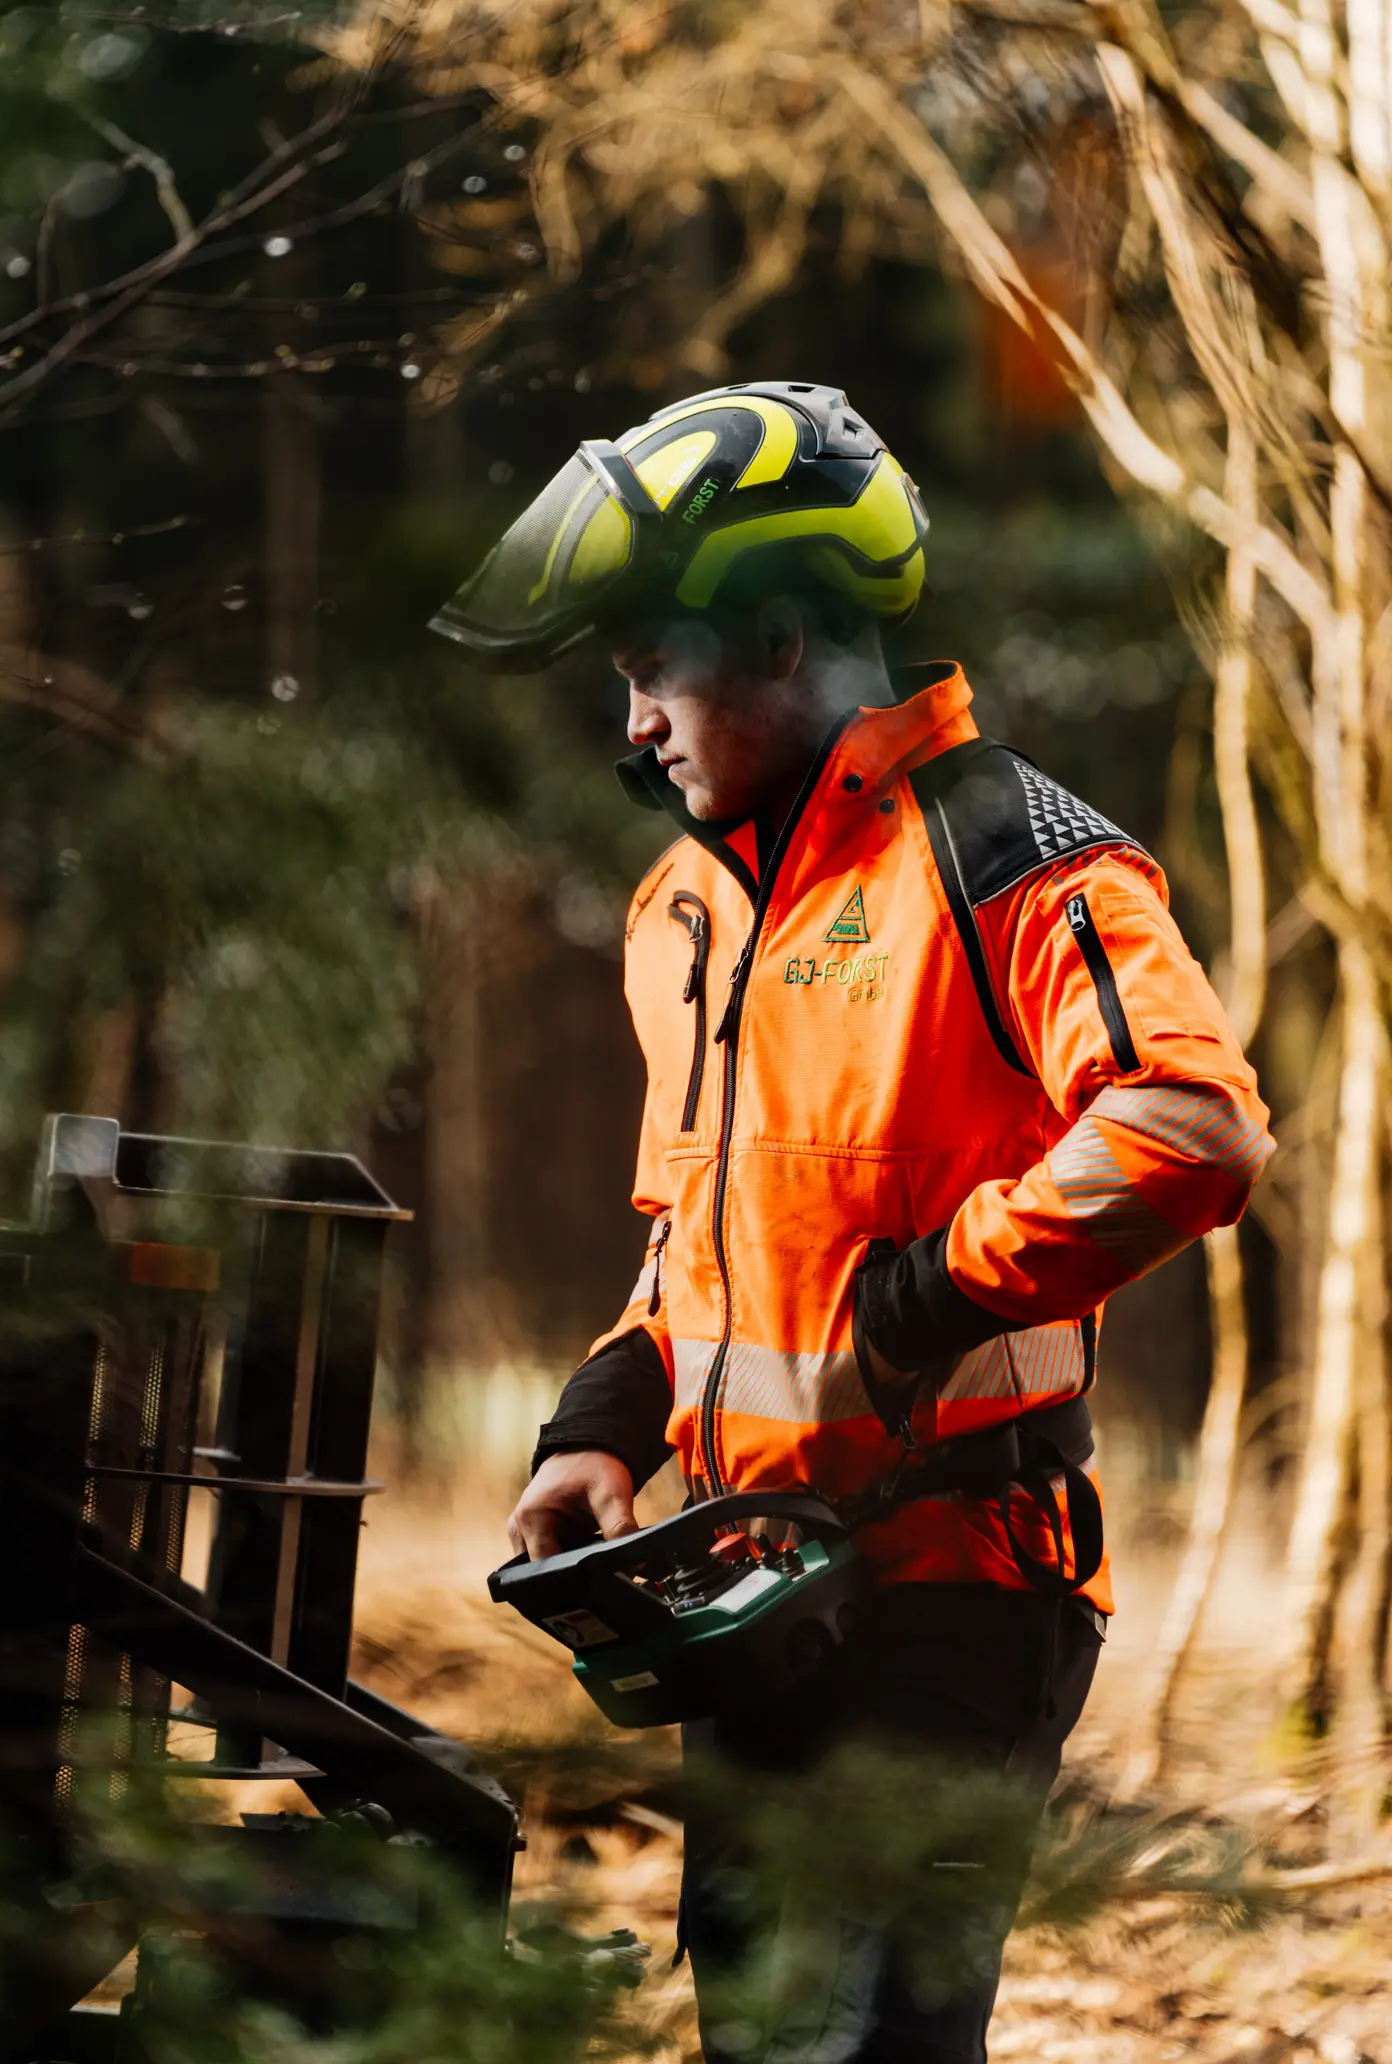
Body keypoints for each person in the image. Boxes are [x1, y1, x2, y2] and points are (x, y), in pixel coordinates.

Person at [430, 380, 1274, 2063]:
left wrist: (937, 1293)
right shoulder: (682, 912)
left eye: (651, 673)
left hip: (960, 1589)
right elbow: (698, 1234)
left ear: (780, 637)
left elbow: (1193, 1126)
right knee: (760, 2029)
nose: (635, 729)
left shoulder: (1009, 855)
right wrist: (605, 1421)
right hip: (748, 1593)